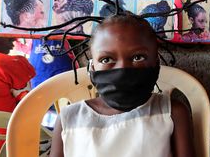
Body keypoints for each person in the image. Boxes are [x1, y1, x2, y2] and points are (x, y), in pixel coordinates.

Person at [49, 13, 194, 157]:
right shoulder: (69, 119)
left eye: (138, 57)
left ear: (156, 63)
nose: (123, 69)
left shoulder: (172, 112)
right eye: (106, 60)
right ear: (91, 67)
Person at [0, 37, 35, 154]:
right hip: (5, 143)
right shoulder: (5, 63)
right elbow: (29, 105)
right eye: (8, 38)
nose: (13, 43)